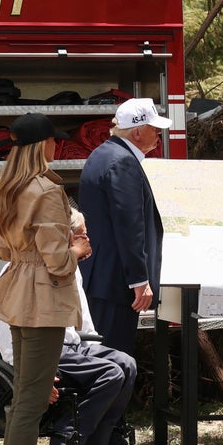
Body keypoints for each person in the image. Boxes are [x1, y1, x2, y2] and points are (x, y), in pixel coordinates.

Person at [0, 112, 92, 445]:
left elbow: (6, 249)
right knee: (31, 402)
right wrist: (78, 248)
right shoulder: (45, 189)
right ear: (44, 145)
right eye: (53, 141)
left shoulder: (6, 185)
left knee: (25, 398)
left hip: (18, 292)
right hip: (43, 297)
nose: (56, 146)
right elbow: (59, 261)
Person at [0, 256, 138, 445]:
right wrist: (36, 376)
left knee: (126, 364)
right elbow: (7, 337)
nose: (88, 240)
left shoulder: (71, 267)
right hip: (47, 353)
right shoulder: (21, 270)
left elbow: (83, 323)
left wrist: (96, 349)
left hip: (75, 346)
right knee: (110, 375)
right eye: (80, 234)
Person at [77, 97, 171, 356]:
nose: (158, 134)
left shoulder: (103, 154)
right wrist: (140, 280)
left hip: (101, 278)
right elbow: (130, 226)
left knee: (100, 356)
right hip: (114, 282)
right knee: (113, 360)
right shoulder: (123, 162)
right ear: (138, 132)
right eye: (154, 128)